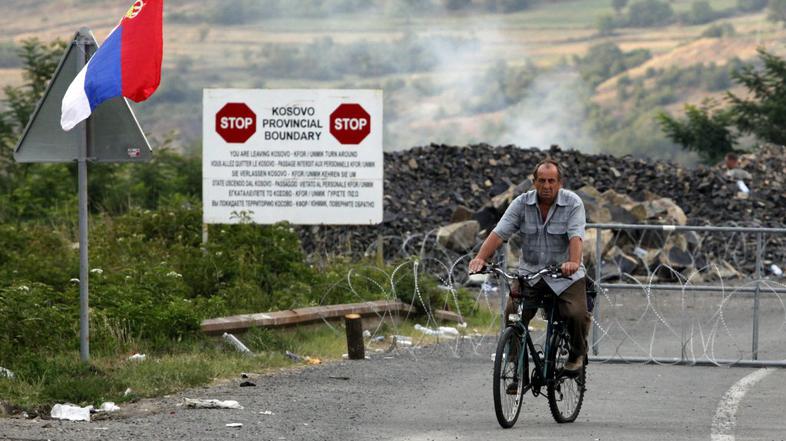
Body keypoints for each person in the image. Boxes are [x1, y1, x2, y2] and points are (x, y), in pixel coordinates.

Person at [468, 158, 591, 388]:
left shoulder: (573, 203)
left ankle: (576, 355)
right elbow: (499, 233)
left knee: (575, 314)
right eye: (542, 181)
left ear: (559, 182)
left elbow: (576, 235)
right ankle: (516, 367)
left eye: (551, 181)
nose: (546, 186)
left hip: (564, 275)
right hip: (531, 274)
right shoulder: (521, 204)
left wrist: (573, 262)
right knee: (512, 312)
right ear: (534, 182)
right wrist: (480, 258)